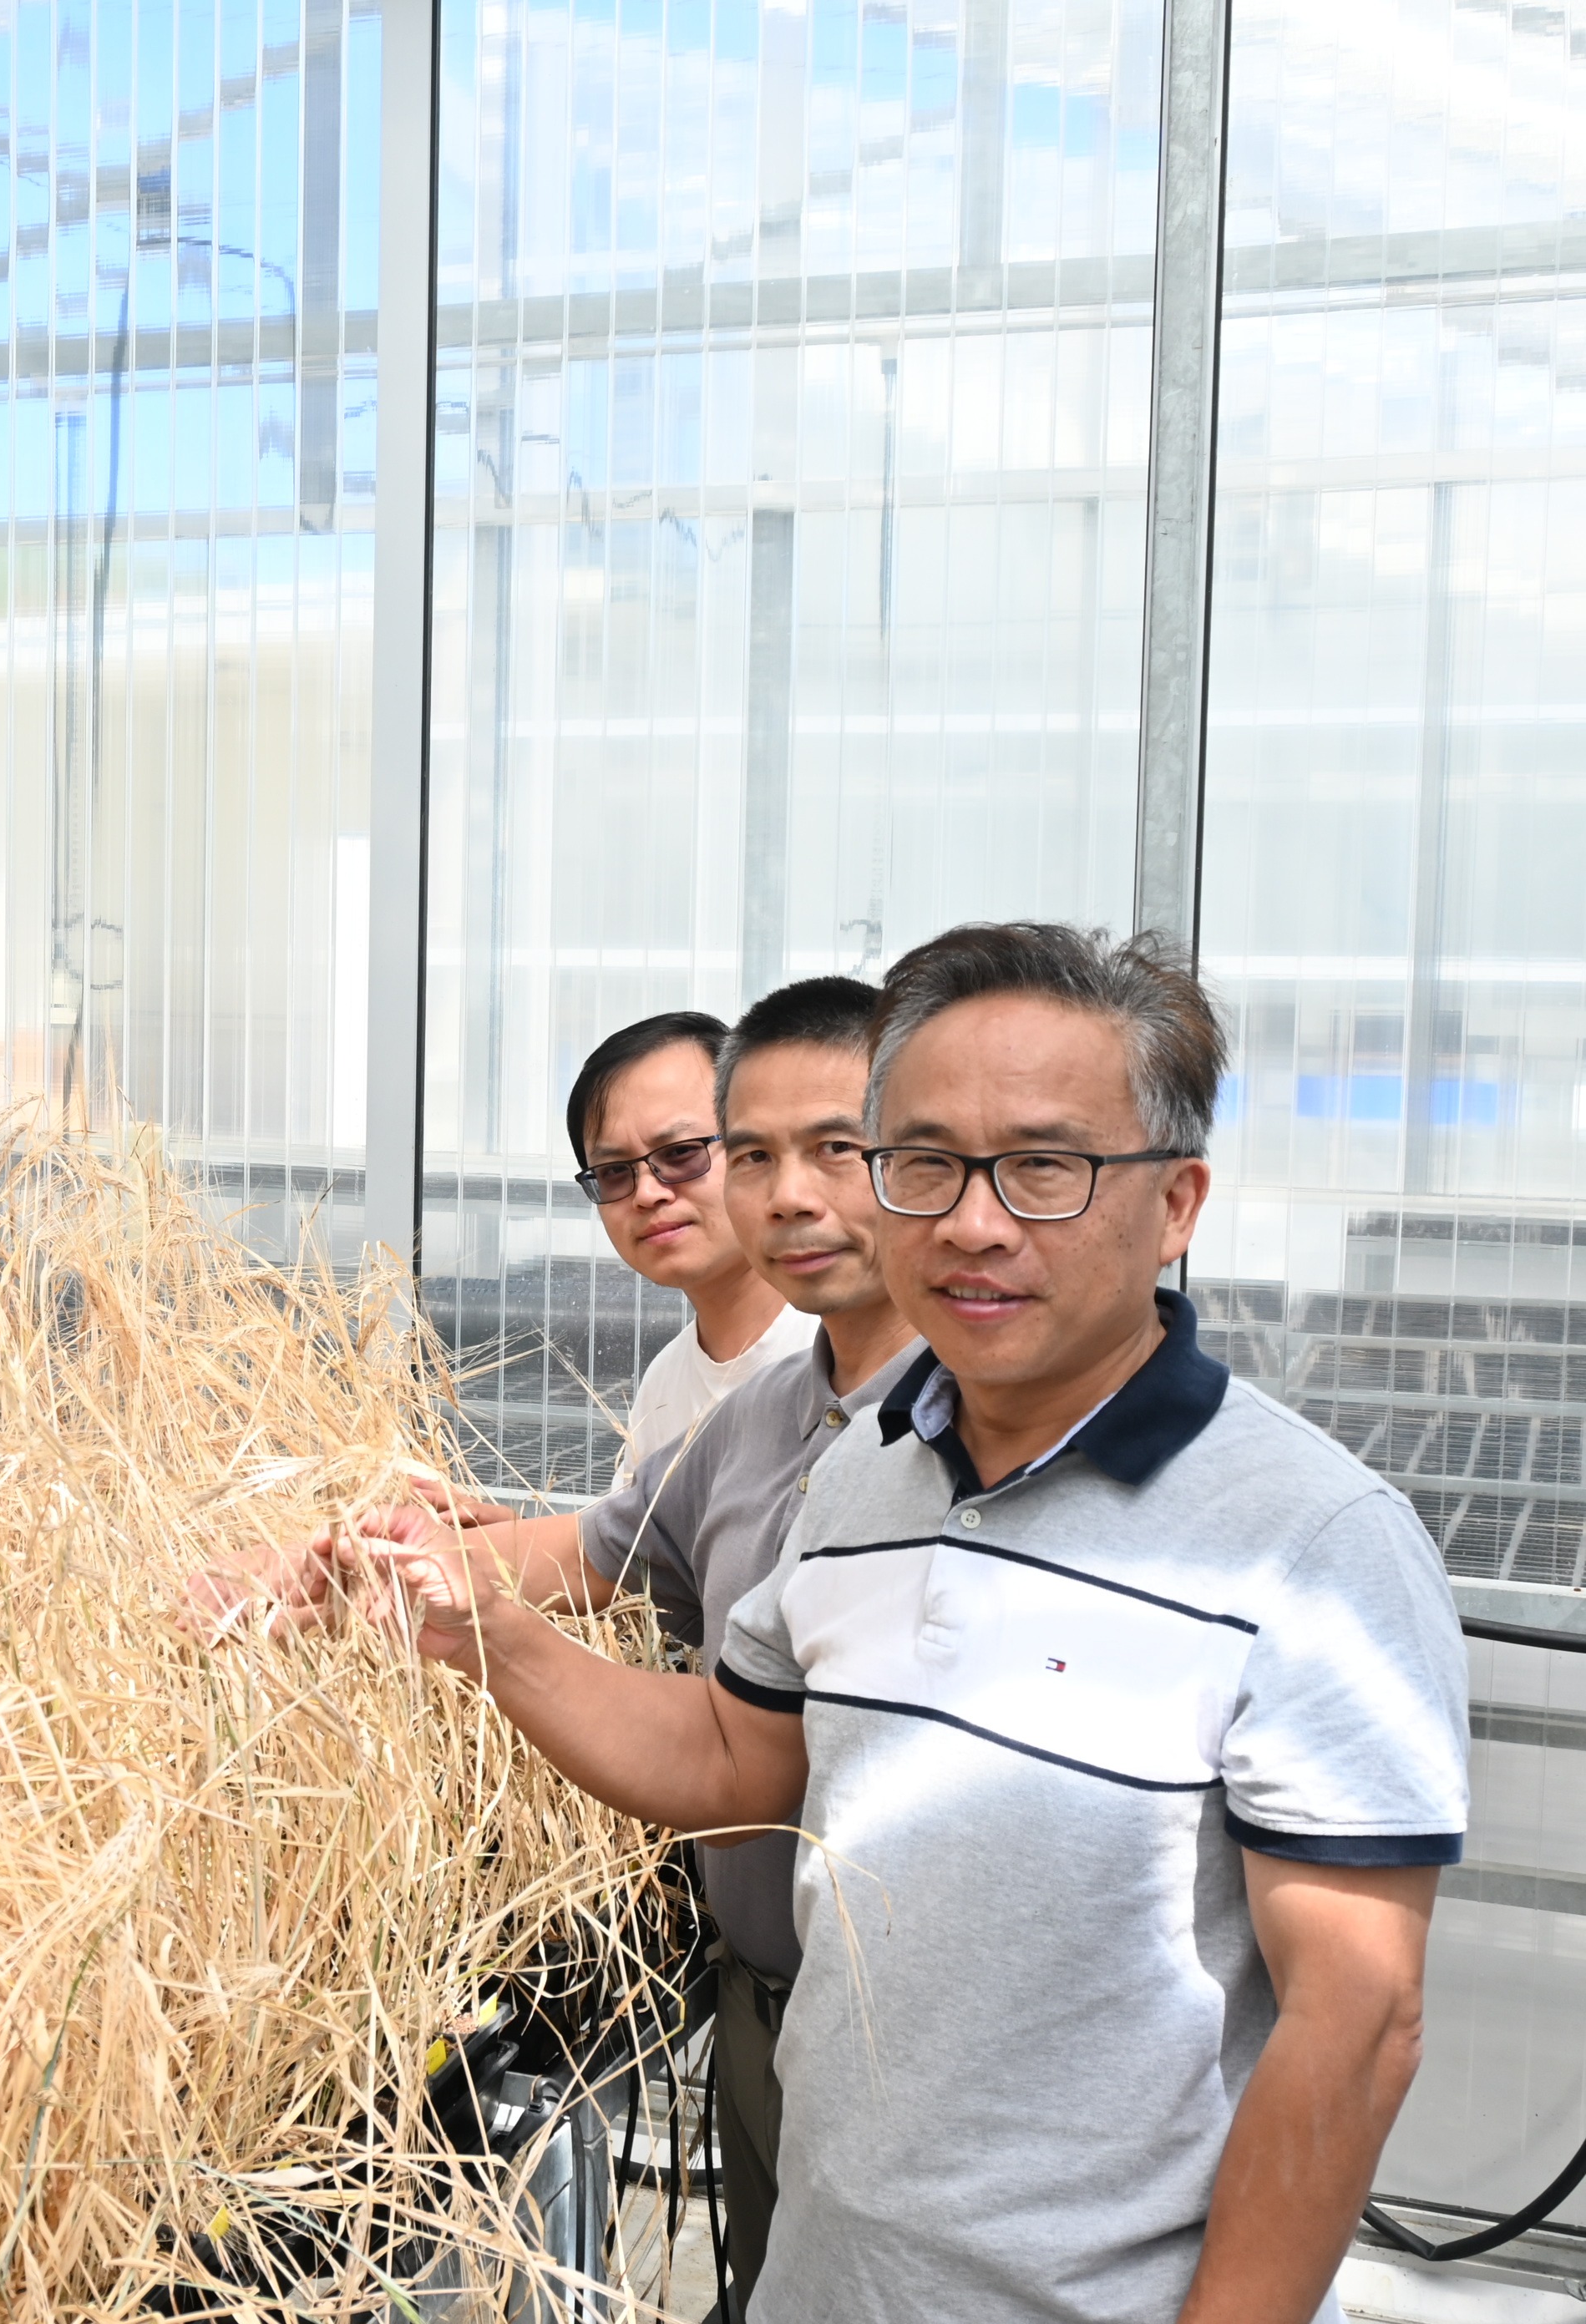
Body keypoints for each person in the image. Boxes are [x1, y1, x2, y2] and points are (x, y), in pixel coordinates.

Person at [339, 925, 1468, 2324]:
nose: (973, 1220)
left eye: (1045, 1166)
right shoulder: (864, 1470)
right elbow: (730, 1760)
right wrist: (482, 1638)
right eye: (924, 1161)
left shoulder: (1309, 1541)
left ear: (1176, 1202)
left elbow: (1355, 2025)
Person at [193, 975, 916, 2311]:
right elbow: (601, 1558)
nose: (783, 1194)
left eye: (830, 1149)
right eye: (748, 1155)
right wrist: (338, 1570)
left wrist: (457, 1610)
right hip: (768, 1961)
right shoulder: (748, 1417)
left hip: (915, 2015)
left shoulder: (969, 1429)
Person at [565, 1012, 817, 1468]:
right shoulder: (666, 1383)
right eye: (614, 1172)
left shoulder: (839, 1347)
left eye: (680, 1153)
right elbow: (629, 1538)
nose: (646, 1193)